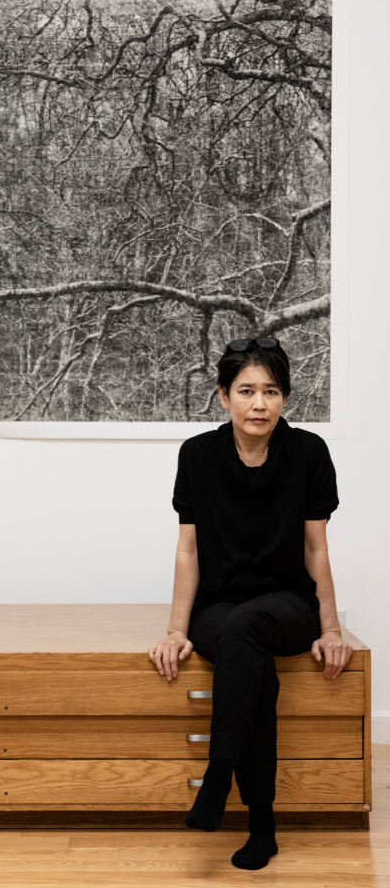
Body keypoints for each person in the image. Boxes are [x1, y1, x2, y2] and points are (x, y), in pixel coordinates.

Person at [147, 336, 354, 871]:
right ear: (223, 396)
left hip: (288, 604)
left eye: (271, 391)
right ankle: (262, 824)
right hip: (219, 606)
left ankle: (219, 775)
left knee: (250, 627)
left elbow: (315, 548)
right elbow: (189, 549)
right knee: (247, 648)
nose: (259, 404)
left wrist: (331, 629)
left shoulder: (308, 453)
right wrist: (176, 630)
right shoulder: (198, 455)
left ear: (284, 398)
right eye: (246, 391)